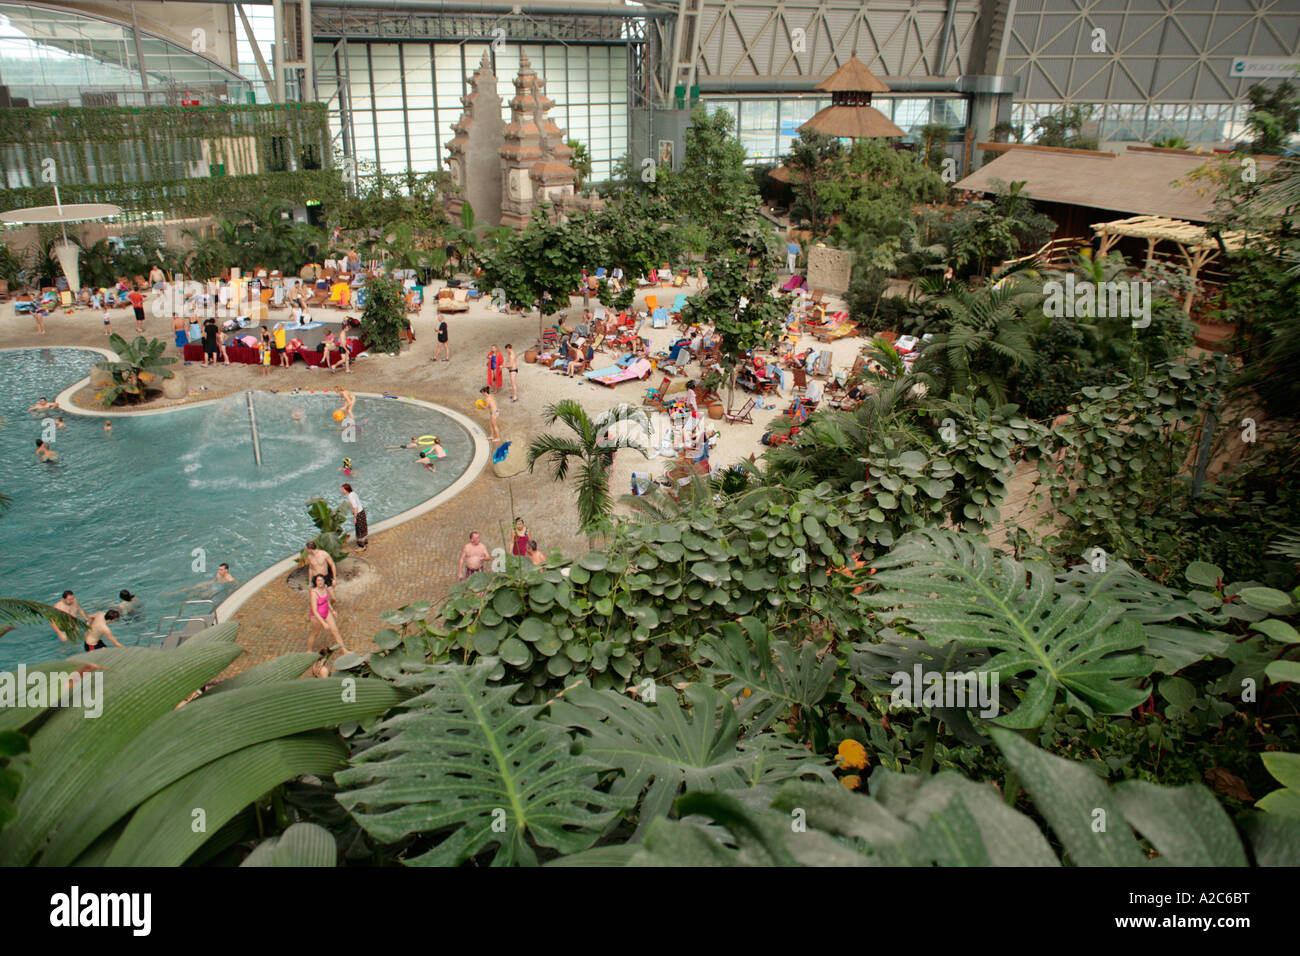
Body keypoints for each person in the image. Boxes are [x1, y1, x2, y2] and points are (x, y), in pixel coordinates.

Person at [307, 574, 349, 654]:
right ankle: (309, 650)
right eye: (318, 580)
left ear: (324, 581)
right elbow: (314, 610)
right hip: (317, 616)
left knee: (335, 630)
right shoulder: (313, 593)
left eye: (321, 580)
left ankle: (344, 650)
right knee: (315, 633)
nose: (320, 582)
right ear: (315, 582)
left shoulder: (325, 587)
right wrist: (323, 623)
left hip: (327, 613)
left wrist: (332, 611)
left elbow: (327, 600)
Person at [342, 483, 368, 549]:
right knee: (363, 527)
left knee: (359, 530)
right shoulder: (353, 493)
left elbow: (355, 507)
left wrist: (355, 517)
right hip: (362, 511)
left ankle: (362, 547)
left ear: (346, 490)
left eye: (342, 489)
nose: (341, 490)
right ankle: (365, 541)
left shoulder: (350, 497)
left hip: (358, 514)